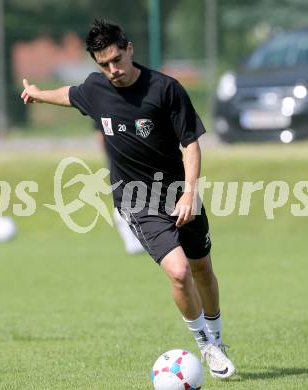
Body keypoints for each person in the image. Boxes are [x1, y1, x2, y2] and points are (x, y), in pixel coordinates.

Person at [21, 18, 235, 379]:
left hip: (180, 193)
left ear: (130, 48)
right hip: (137, 200)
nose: (113, 70)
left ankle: (217, 339)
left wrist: (189, 192)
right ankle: (206, 346)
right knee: (180, 272)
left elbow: (191, 144)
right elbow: (70, 95)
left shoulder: (166, 89)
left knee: (202, 269)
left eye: (117, 59)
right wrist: (37, 93)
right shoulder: (96, 88)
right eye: (103, 64)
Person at [93, 121, 145, 255]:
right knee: (122, 200)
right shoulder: (104, 103)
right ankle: (132, 243)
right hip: (119, 161)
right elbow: (100, 134)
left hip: (138, 161)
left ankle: (140, 239)